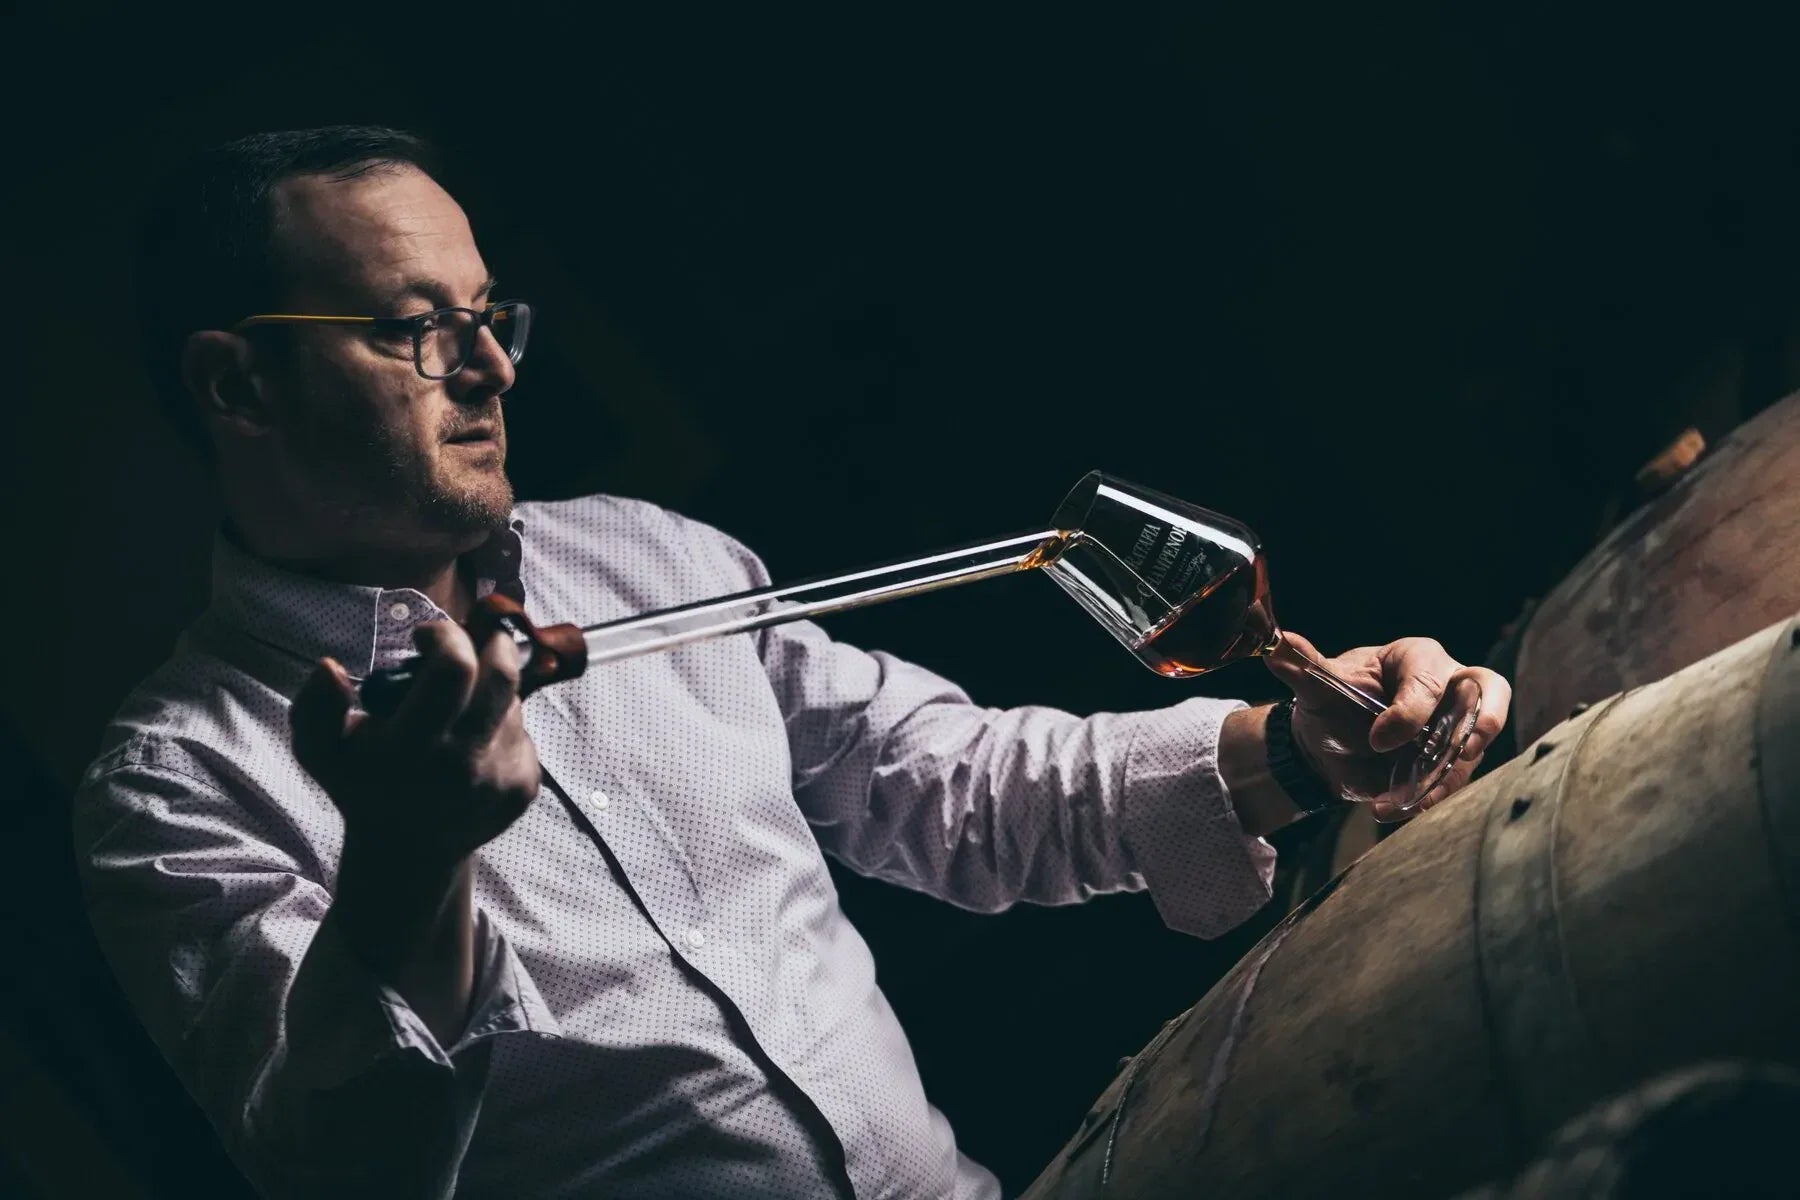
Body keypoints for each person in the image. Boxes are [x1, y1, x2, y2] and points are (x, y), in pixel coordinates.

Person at [74, 126, 1510, 1199]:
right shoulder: (175, 786)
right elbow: (341, 1170)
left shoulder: (643, 557)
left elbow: (952, 788)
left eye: (487, 317)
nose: (493, 368)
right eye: (412, 328)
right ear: (237, 384)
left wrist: (1297, 747)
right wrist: (404, 872)